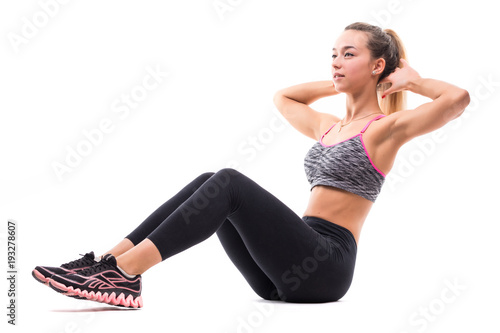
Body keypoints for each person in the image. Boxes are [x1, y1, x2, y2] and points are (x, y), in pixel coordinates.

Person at [32, 22, 470, 308]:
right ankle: (108, 260)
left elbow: (457, 100)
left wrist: (409, 79)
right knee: (211, 182)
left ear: (378, 65)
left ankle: (126, 274)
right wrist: (343, 84)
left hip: (326, 264)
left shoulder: (383, 129)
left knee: (229, 183)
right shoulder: (329, 127)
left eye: (348, 55)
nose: (335, 61)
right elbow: (284, 97)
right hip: (280, 271)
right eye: (333, 53)